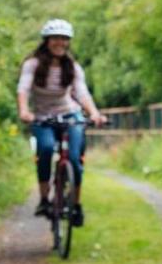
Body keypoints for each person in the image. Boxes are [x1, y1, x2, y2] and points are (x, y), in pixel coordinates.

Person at [17, 20, 107, 224]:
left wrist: (94, 113)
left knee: (75, 160)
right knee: (46, 149)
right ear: (47, 41)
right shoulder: (33, 64)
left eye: (64, 39)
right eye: (56, 38)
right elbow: (23, 89)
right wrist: (24, 110)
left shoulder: (72, 67)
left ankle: (75, 205)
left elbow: (82, 93)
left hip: (70, 114)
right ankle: (44, 200)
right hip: (42, 117)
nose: (60, 43)